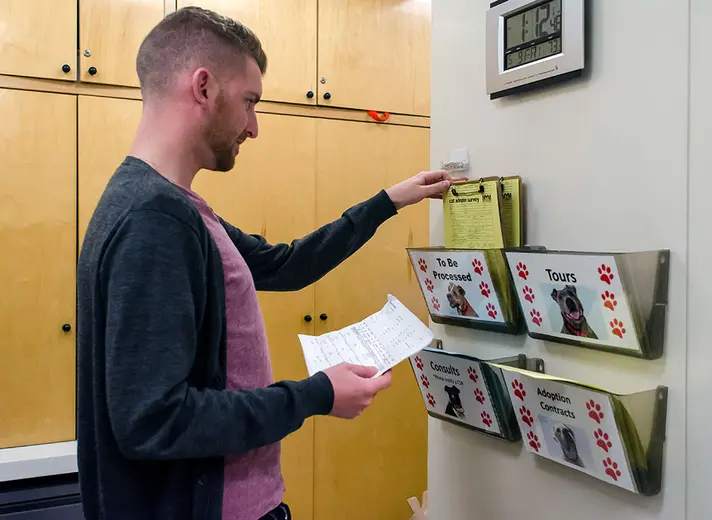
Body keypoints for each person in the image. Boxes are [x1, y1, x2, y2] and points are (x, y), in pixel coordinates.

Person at [75, 6, 458, 520]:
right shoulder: (154, 219)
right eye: (250, 102)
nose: (253, 127)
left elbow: (287, 265)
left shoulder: (177, 208)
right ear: (204, 87)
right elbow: (153, 420)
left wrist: (389, 201)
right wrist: (314, 395)